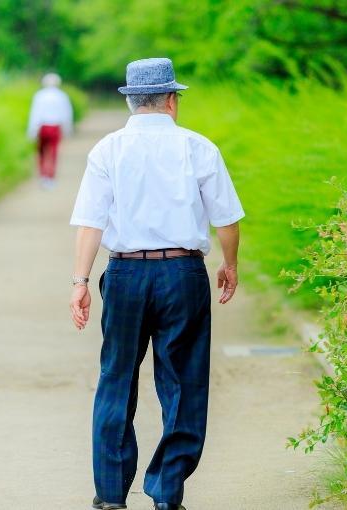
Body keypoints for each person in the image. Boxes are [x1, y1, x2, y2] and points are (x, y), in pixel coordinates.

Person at [68, 57, 244, 510]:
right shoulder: (198, 147)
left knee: (116, 380)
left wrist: (80, 281)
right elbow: (226, 219)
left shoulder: (108, 149)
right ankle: (167, 494)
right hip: (182, 274)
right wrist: (230, 263)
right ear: (171, 100)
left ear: (131, 100)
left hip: (125, 274)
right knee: (184, 383)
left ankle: (110, 497)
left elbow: (90, 222)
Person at [26, 72, 73, 189]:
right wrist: (67, 130)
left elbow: (35, 114)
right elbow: (66, 114)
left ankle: (43, 176)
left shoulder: (39, 96)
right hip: (55, 127)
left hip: (42, 127)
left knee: (41, 152)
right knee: (53, 152)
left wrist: (32, 131)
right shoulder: (62, 96)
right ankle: (50, 177)